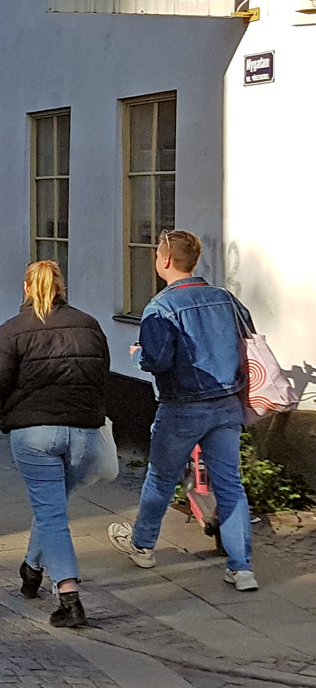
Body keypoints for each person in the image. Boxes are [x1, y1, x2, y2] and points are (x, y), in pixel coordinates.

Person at [108, 229, 259, 591]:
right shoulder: (224, 298)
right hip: (227, 404)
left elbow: (158, 359)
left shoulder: (161, 307)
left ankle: (143, 545)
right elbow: (249, 334)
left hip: (182, 407)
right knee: (230, 484)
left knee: (160, 478)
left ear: (165, 261)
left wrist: (136, 354)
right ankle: (242, 569)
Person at [0, 261, 111, 628]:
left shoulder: (12, 330)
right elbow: (102, 372)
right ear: (62, 287)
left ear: (26, 287)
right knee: (51, 505)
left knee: (51, 511)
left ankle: (69, 596)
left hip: (34, 432)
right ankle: (32, 569)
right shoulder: (89, 325)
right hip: (83, 431)